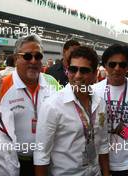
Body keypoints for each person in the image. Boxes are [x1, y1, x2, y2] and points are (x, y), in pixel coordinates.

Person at [34, 46, 110, 176]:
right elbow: (41, 154)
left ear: (94, 73)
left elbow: (103, 144)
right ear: (67, 71)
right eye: (73, 69)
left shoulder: (100, 103)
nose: (78, 75)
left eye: (84, 70)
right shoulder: (52, 106)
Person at [0, 34, 60, 176]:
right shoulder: (1, 85)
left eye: (38, 56)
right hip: (16, 162)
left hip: (50, 160)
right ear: (16, 59)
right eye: (27, 56)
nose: (33, 61)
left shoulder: (52, 82)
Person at [93, 44, 128, 176]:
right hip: (99, 161)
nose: (117, 69)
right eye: (112, 64)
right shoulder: (94, 91)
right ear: (105, 66)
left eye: (122, 65)